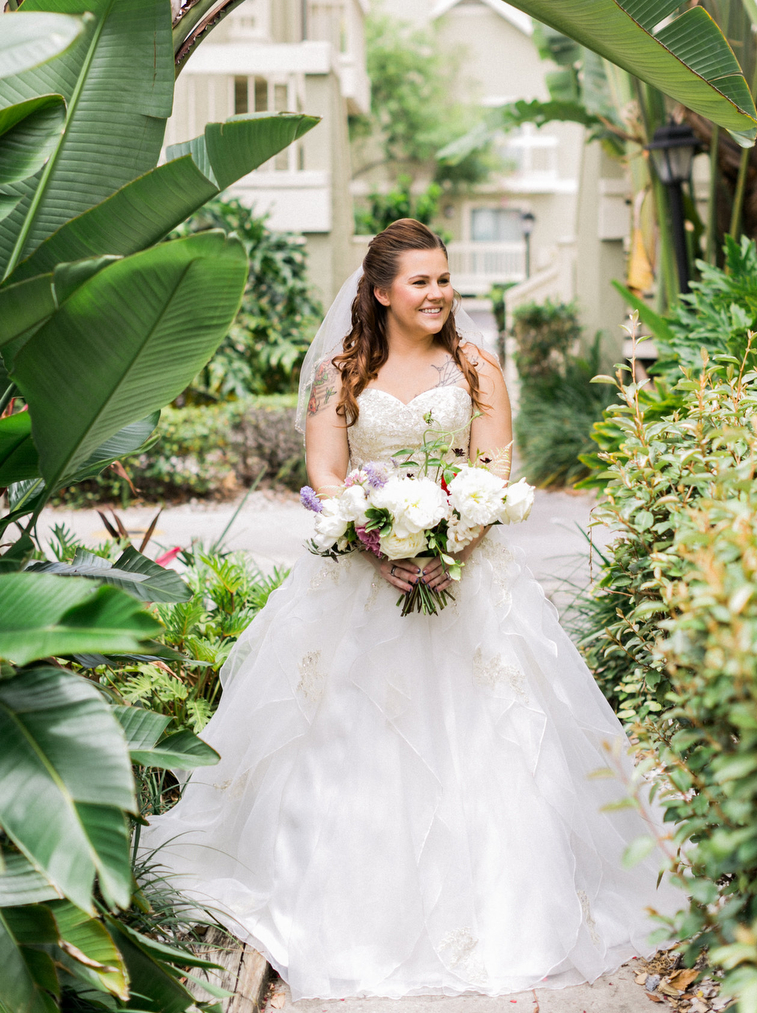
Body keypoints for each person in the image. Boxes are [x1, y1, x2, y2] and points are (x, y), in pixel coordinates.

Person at [141, 219, 683, 1000]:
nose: (438, 293)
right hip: (365, 582)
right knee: (343, 739)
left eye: (445, 278)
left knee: (499, 738)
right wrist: (379, 542)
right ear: (381, 291)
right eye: (421, 281)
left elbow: (494, 471)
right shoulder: (340, 375)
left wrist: (450, 547)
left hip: (471, 582)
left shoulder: (475, 367)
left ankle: (510, 905)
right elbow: (327, 474)